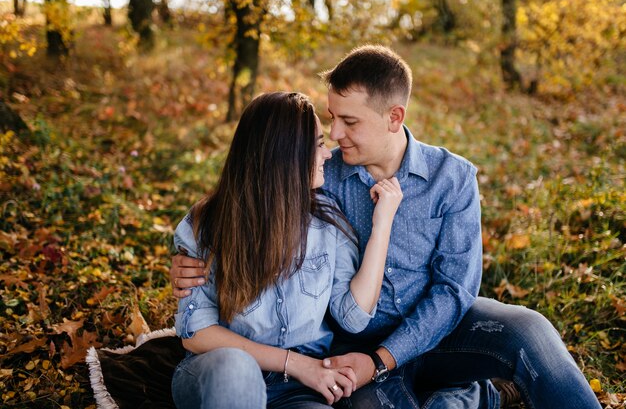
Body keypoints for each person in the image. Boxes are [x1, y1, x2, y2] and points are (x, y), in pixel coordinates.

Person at [171, 46, 601, 409]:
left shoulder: (451, 178)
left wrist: (383, 359)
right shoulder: (322, 178)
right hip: (350, 348)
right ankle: (468, 394)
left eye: (350, 122)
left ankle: (466, 388)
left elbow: (454, 292)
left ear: (394, 117)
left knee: (529, 329)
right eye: (332, 118)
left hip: (436, 334)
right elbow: (255, 201)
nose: (336, 134)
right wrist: (190, 264)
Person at [171, 91, 403, 409]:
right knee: (236, 370)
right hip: (221, 374)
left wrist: (382, 226)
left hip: (298, 388)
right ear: (286, 155)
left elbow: (353, 317)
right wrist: (294, 363)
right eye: (318, 144)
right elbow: (195, 332)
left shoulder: (327, 222)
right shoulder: (208, 223)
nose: (328, 154)